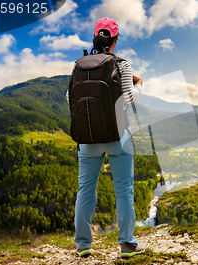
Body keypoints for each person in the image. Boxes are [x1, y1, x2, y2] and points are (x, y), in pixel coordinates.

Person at [68, 17, 145, 258]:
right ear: (115, 40)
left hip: (87, 140)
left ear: (95, 37)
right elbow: (130, 98)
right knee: (123, 189)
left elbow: (70, 99)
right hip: (117, 137)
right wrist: (139, 83)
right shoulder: (122, 65)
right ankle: (127, 244)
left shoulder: (77, 66)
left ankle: (82, 245)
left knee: (85, 189)